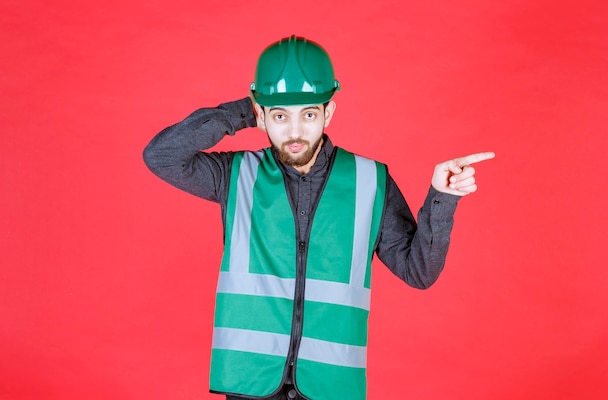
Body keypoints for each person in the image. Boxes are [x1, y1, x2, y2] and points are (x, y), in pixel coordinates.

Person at [143, 35, 494, 400]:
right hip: (249, 382)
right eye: (280, 116)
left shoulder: (369, 181)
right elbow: (161, 156)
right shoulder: (234, 174)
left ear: (329, 113)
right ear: (262, 116)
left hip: (331, 385)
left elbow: (419, 272)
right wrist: (246, 109)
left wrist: (443, 197)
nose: (294, 132)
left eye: (308, 114)